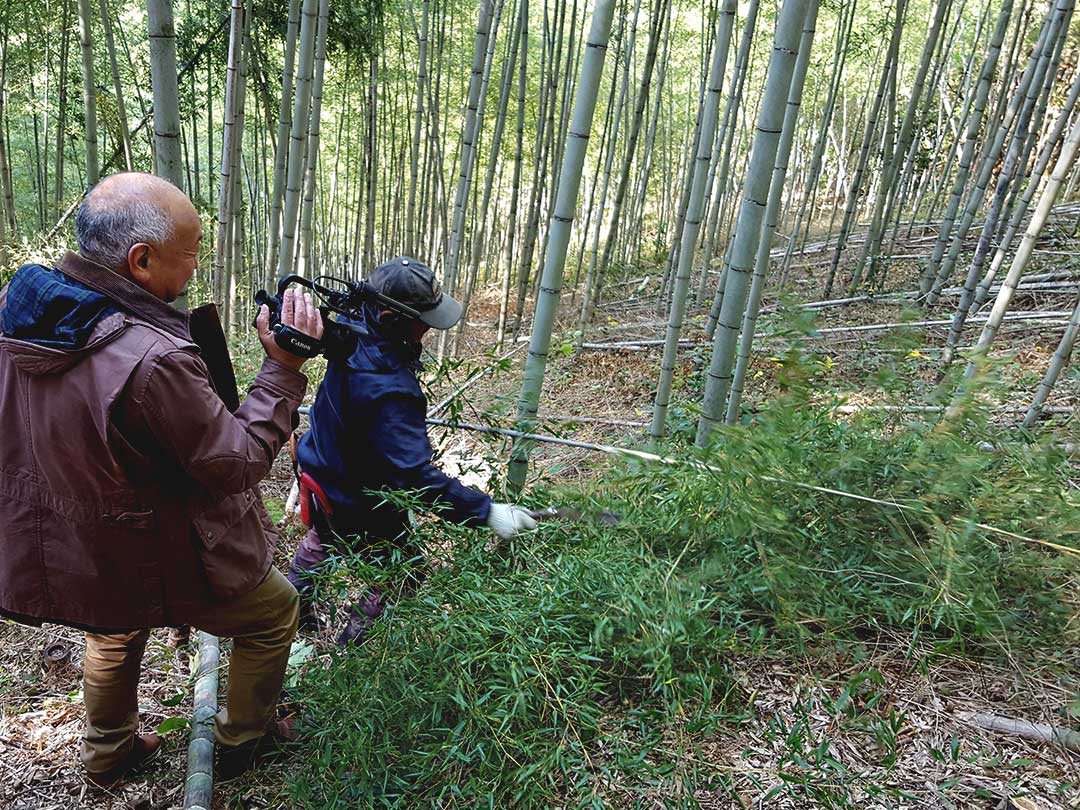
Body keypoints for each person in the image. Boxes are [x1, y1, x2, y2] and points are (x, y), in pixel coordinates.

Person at [0, 173, 323, 787]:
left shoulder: (16, 317)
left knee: (113, 627)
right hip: (156, 545)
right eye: (193, 251)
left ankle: (107, 751)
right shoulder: (151, 358)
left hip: (76, 543)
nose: (198, 267)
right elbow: (236, 464)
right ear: (141, 260)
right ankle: (240, 742)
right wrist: (281, 368)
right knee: (274, 613)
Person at [287, 256, 537, 645]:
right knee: (403, 570)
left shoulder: (356, 333)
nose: (428, 329)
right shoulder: (389, 388)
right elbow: (416, 478)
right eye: (423, 319)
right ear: (392, 316)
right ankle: (350, 654)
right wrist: (486, 512)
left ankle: (289, 614)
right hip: (354, 493)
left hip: (321, 470)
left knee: (322, 539)